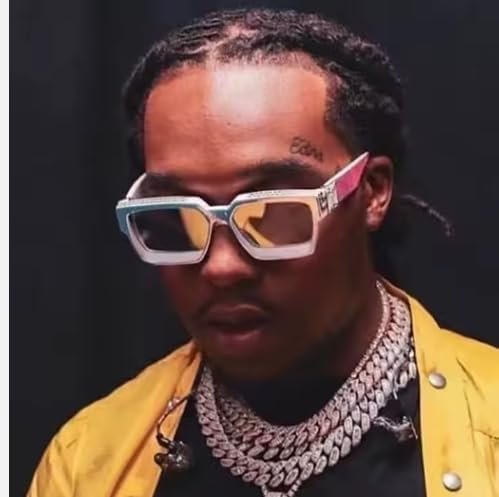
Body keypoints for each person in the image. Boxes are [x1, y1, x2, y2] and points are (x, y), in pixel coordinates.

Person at [28, 8, 499, 497]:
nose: (221, 266)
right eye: (181, 216)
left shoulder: (488, 429)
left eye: (273, 213)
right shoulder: (89, 461)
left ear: (372, 191)